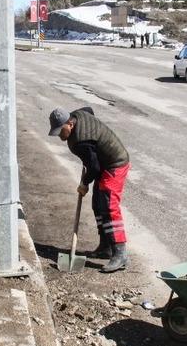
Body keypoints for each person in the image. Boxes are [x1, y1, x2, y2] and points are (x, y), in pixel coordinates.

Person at [48, 107, 131, 273]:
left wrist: (84, 184)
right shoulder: (78, 114)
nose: (60, 136)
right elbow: (90, 110)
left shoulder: (81, 141)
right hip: (104, 163)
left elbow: (93, 167)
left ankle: (120, 253)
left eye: (61, 131)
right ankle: (106, 246)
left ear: (70, 123)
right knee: (97, 204)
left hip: (115, 163)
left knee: (108, 206)